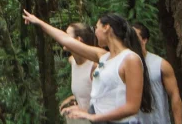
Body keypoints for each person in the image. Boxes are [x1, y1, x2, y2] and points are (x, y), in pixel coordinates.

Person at [23, 10, 152, 123]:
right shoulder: (104, 56)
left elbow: (132, 107)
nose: (95, 32)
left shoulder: (130, 59)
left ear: (106, 27)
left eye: (97, 27)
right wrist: (39, 22)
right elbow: (66, 40)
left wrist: (94, 117)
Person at [132, 24, 182, 124]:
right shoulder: (123, 64)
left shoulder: (160, 64)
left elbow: (174, 94)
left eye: (135, 37)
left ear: (144, 40)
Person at [58, 24, 98, 124]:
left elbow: (105, 103)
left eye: (67, 35)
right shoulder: (72, 61)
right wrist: (72, 98)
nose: (63, 37)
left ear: (78, 40)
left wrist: (84, 111)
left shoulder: (94, 66)